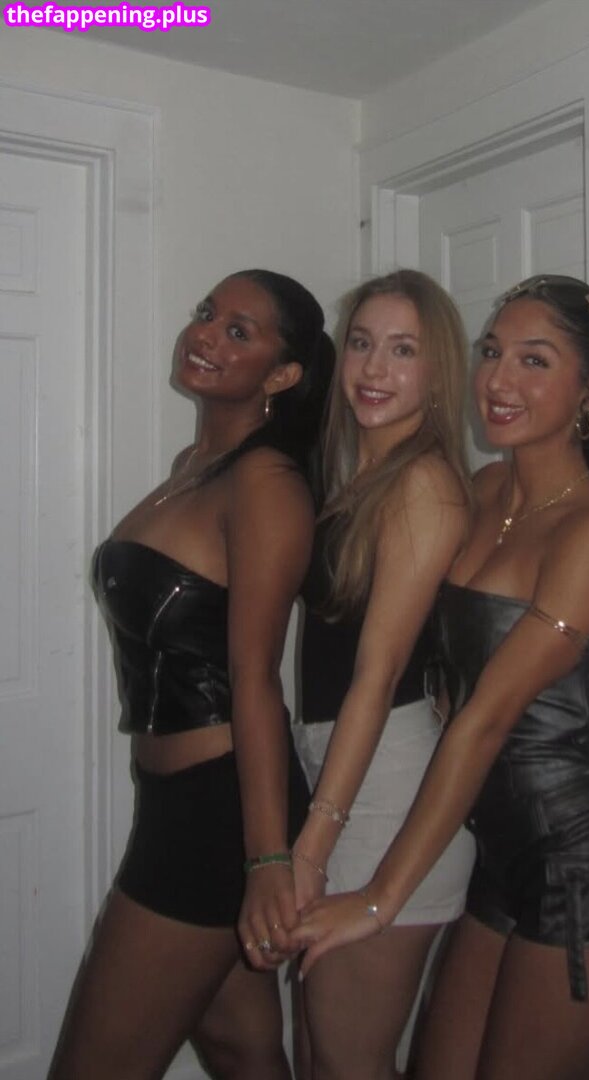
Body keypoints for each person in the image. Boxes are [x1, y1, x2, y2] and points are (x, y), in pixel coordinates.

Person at [292, 274, 589, 1080]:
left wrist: (378, 899)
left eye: (535, 361)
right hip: (499, 853)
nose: (500, 381)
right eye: (492, 353)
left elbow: (484, 724)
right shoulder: (483, 490)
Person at [49, 270, 334, 1080]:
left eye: (239, 331)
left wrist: (267, 860)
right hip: (176, 800)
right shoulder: (195, 465)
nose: (205, 334)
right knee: (241, 1048)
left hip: (218, 814)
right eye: (209, 314)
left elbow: (255, 677)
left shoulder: (266, 484)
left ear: (283, 374)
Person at [276, 269, 476, 1080]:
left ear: (440, 374)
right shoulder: (359, 475)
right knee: (323, 1054)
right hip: (346, 769)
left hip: (381, 791)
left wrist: (313, 844)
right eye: (361, 343)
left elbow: (377, 673)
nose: (372, 368)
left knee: (348, 1062)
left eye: (402, 350)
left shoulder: (424, 486)